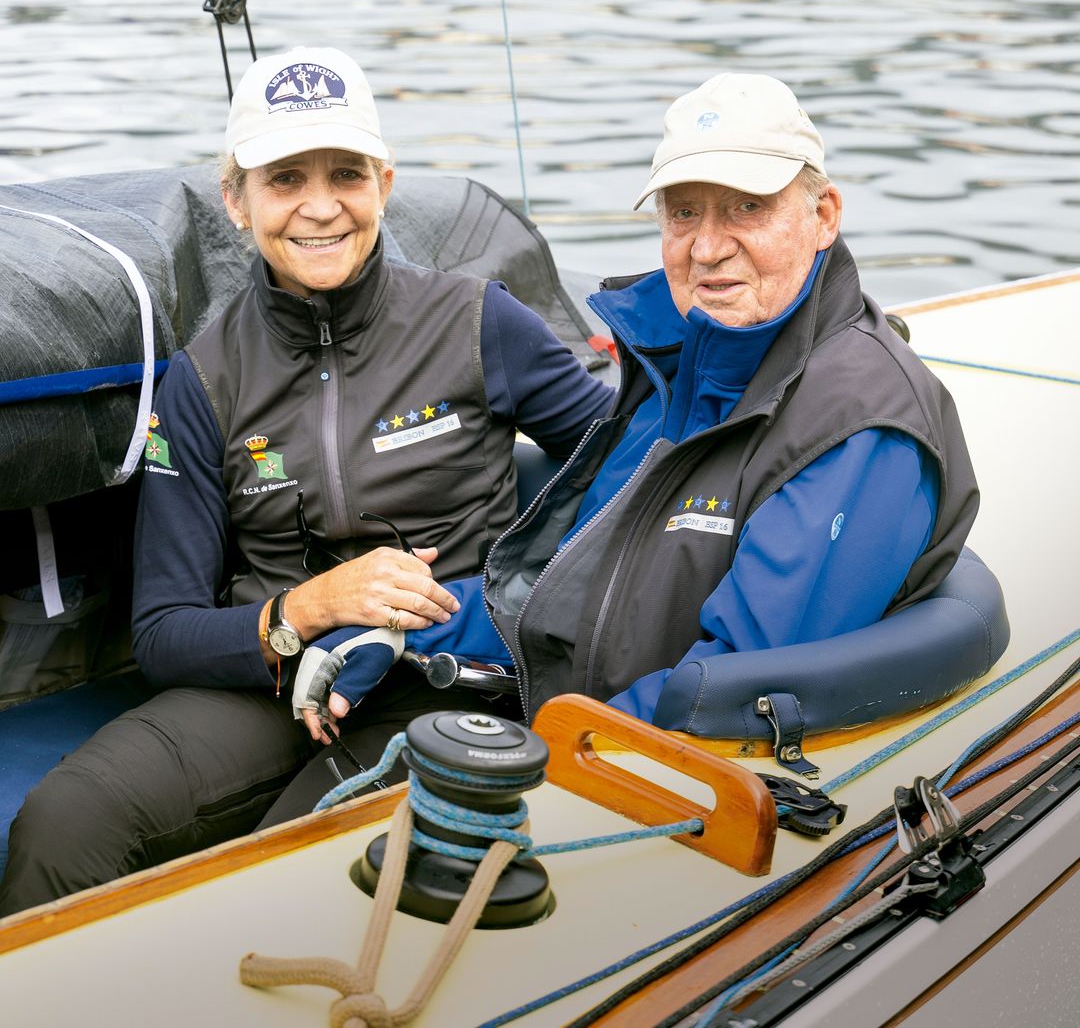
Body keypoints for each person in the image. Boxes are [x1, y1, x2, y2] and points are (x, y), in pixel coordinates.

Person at [258, 69, 978, 819]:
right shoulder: (678, 371)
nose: (707, 247)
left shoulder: (860, 423)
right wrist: (393, 629)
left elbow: (728, 689)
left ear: (823, 215)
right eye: (683, 213)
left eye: (747, 209)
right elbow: (560, 591)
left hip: (643, 783)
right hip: (574, 730)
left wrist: (537, 753)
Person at [0, 46, 612, 915]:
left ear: (383, 184)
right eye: (285, 179)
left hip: (440, 682)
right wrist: (307, 611)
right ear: (237, 203)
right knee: (63, 826)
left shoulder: (480, 323)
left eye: (346, 174)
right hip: (270, 685)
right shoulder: (202, 380)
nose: (320, 207)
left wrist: (489, 599)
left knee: (288, 877)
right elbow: (165, 631)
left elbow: (631, 485)